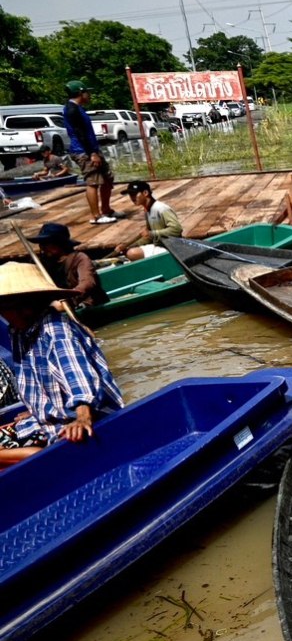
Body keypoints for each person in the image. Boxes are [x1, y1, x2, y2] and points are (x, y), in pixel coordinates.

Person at [0, 262, 123, 465]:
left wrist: (82, 416)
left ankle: (39, 457)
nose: (22, 313)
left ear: (41, 302)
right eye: (11, 308)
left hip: (76, 426)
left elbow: (79, 378)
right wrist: (37, 407)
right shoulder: (19, 333)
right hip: (48, 422)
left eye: (27, 305)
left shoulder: (56, 331)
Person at [62, 80, 117, 225]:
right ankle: (96, 216)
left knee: (107, 178)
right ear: (81, 93)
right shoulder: (72, 110)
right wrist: (92, 153)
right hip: (83, 151)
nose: (89, 95)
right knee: (93, 182)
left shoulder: (78, 108)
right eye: (87, 92)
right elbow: (80, 134)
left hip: (92, 149)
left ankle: (106, 209)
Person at [30, 223, 106, 309]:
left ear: (59, 243)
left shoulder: (79, 258)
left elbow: (87, 283)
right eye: (41, 244)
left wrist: (68, 301)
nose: (42, 247)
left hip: (85, 303)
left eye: (46, 243)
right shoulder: (42, 262)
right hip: (57, 305)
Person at [114, 181, 182, 260]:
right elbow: (149, 237)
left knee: (132, 253)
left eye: (134, 194)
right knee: (128, 251)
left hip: (171, 247)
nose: (132, 198)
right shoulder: (147, 210)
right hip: (159, 246)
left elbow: (176, 229)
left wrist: (152, 233)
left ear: (145, 193)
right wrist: (128, 246)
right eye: (130, 195)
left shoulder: (161, 208)